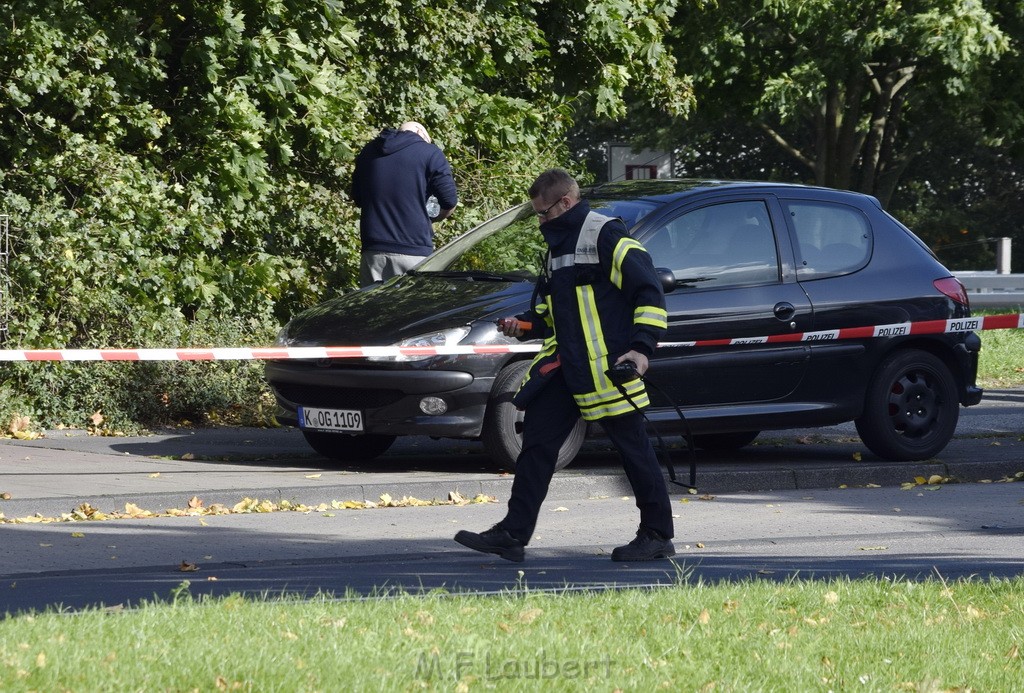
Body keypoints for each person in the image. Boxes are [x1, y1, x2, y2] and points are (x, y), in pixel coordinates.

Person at [454, 168, 675, 563]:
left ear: (566, 203)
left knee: (633, 450)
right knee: (536, 447)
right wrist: (523, 326)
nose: (540, 221)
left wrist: (641, 350)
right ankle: (513, 533)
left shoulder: (606, 235)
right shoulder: (557, 247)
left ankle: (657, 535)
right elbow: (551, 312)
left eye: (543, 213)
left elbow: (650, 293)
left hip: (608, 370)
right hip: (565, 367)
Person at [351, 121, 458, 286]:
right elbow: (449, 201)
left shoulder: (368, 152)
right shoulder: (430, 153)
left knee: (374, 310)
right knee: (415, 311)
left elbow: (358, 198)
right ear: (419, 131)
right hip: (413, 250)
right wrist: (433, 219)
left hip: (373, 251)